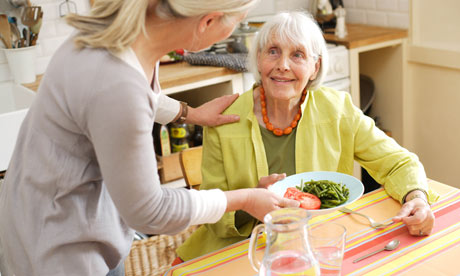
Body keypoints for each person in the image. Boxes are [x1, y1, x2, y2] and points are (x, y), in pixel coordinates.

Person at [0, 1, 302, 275]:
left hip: (54, 212)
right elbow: (150, 210)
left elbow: (136, 96)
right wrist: (246, 198)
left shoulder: (118, 38)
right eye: (238, 20)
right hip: (58, 246)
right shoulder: (116, 84)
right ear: (207, 22)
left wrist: (188, 113)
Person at [177, 11, 437, 261]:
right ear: (258, 59)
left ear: (315, 67)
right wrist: (249, 200)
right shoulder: (224, 119)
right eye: (273, 51)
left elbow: (399, 163)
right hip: (239, 250)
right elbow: (210, 214)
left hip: (317, 242)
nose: (282, 66)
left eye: (297, 55)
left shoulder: (337, 109)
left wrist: (417, 199)